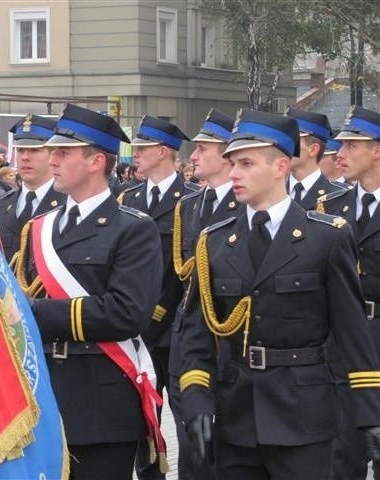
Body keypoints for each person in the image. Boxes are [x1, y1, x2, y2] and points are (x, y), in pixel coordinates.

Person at [178, 109, 380, 479]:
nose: (234, 173)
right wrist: (196, 402)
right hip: (235, 416)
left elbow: (352, 334)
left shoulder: (327, 237)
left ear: (280, 167)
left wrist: (370, 415)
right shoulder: (216, 242)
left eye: (246, 163)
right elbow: (195, 337)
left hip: (303, 416)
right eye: (232, 163)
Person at [15, 104, 163, 479]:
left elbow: (126, 313)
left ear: (97, 161)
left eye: (63, 153)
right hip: (44, 395)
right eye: (52, 152)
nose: (52, 160)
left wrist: (34, 312)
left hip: (101, 401)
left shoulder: (132, 229)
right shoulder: (39, 228)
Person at [118, 115, 198, 480]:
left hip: (171, 332)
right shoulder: (127, 198)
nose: (135, 155)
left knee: (184, 420)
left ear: (163, 151)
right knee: (141, 419)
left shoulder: (191, 200)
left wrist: (155, 313)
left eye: (142, 148)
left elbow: (184, 270)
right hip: (135, 331)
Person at [168, 108, 241, 480]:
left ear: (228, 154)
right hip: (190, 339)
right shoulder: (191, 204)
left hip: (229, 339)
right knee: (190, 447)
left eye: (203, 148)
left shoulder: (247, 204)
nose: (193, 156)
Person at [317, 106, 380, 480]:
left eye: (351, 145)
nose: (339, 153)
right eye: (340, 145)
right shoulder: (331, 207)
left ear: (377, 150)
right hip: (342, 347)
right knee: (342, 456)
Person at [0, 114, 66, 264]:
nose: (25, 157)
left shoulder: (68, 205)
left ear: (53, 155)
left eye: (34, 150)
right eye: (20, 150)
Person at [286, 107, 345, 210]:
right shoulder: (269, 192)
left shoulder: (340, 197)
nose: (284, 146)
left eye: (292, 140)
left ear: (313, 149)